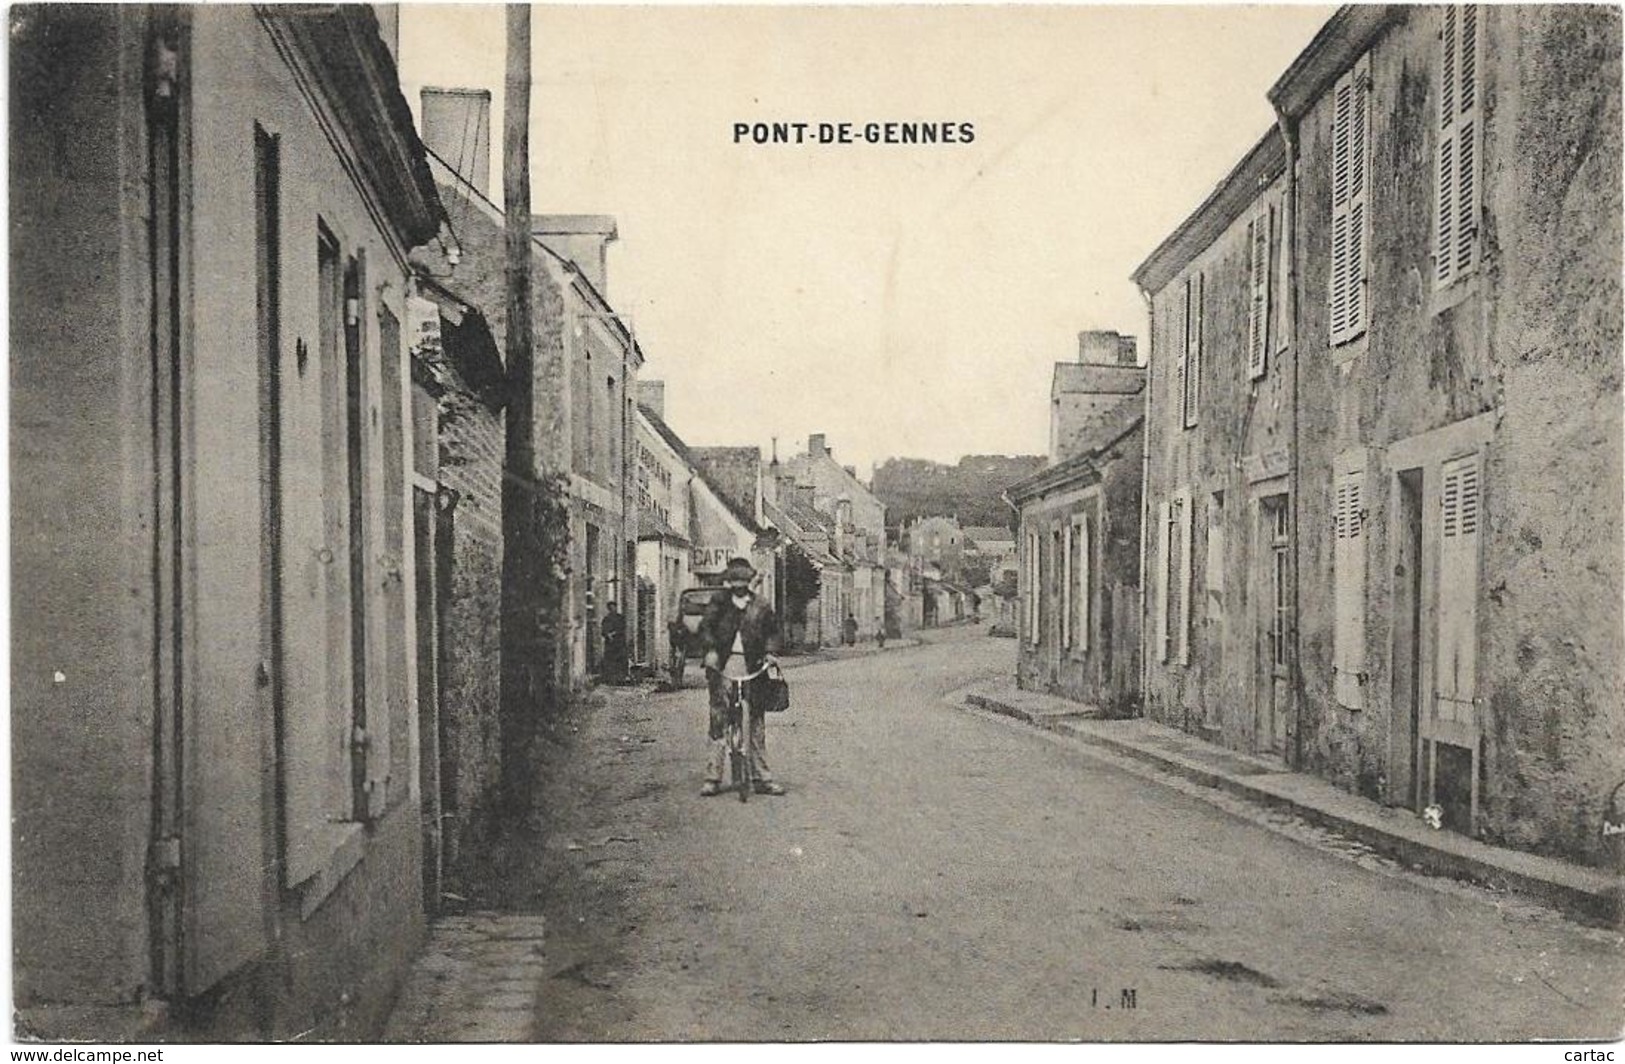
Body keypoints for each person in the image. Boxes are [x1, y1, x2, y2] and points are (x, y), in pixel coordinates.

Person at [698, 557, 785, 797]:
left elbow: (773, 631)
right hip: (723, 665)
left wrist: (770, 652)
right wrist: (711, 652)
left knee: (756, 721)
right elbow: (705, 628)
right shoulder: (719, 604)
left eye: (742, 580)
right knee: (718, 719)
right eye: (733, 580)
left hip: (753, 665)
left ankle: (762, 777)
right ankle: (712, 777)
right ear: (728, 581)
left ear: (749, 580)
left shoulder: (761, 605)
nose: (738, 585)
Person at [600, 601, 628, 685]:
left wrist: (614, 633)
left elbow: (622, 628)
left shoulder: (620, 618)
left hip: (619, 642)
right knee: (610, 661)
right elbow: (603, 631)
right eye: (610, 608)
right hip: (610, 644)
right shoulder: (606, 619)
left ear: (616, 608)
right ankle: (610, 679)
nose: (612, 610)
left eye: (614, 607)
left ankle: (621, 679)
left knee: (620, 660)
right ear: (609, 609)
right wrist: (607, 635)